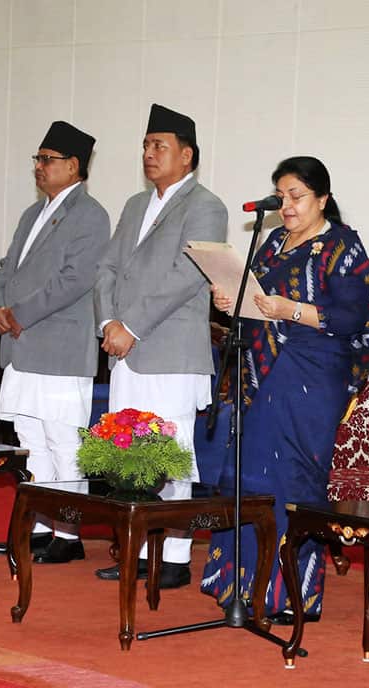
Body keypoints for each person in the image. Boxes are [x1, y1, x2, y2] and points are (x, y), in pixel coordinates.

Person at [199, 156, 369, 624]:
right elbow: (255, 299)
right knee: (249, 479)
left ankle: (293, 593)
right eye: (280, 196)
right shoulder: (274, 241)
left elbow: (349, 319)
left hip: (310, 377)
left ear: (322, 198)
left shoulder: (342, 246)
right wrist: (230, 300)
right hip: (260, 373)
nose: (287, 206)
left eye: (296, 196)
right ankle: (242, 585)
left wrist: (290, 309)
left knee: (292, 483)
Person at [92, 103, 227, 589]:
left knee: (169, 449)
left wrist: (133, 325)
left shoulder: (205, 206)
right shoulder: (133, 205)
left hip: (168, 348)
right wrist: (109, 321)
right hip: (124, 346)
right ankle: (135, 546)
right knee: (127, 446)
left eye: (159, 147)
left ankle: (172, 556)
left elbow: (188, 276)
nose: (149, 154)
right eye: (146, 146)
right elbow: (106, 268)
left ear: (186, 156)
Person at [0, 121, 110, 564]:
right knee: (30, 437)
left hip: (58, 346)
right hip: (22, 345)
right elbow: (6, 267)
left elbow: (75, 280)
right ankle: (40, 524)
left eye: (47, 159)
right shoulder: (32, 212)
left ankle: (69, 533)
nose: (38, 167)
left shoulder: (90, 215)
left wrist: (19, 313)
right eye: (36, 159)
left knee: (62, 440)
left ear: (73, 166)